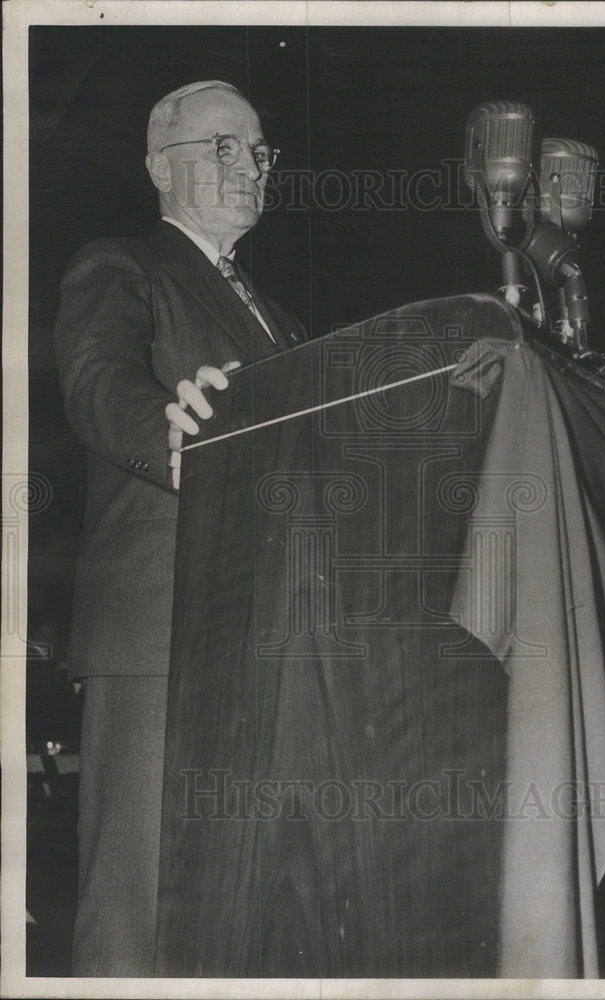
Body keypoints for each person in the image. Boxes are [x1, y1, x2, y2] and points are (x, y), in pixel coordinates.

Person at [53, 79, 306, 977]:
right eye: (223, 148)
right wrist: (172, 433)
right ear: (161, 167)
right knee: (138, 909)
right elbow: (97, 383)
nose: (252, 167)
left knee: (247, 910)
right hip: (157, 634)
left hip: (271, 644)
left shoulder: (281, 322)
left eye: (261, 150)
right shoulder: (120, 266)